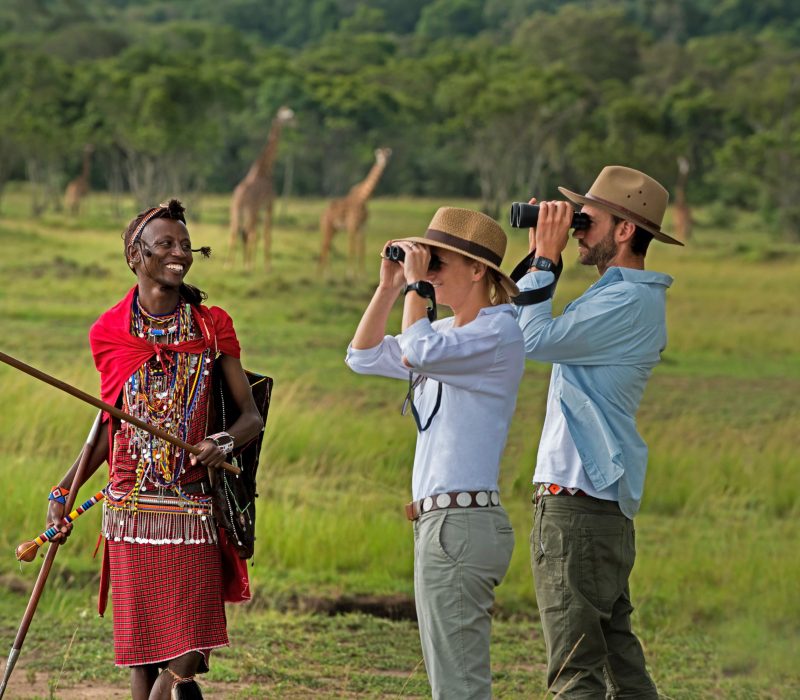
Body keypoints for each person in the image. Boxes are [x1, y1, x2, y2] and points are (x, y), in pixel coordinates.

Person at [45, 199, 263, 700]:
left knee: (196, 630)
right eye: (165, 244)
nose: (179, 254)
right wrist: (64, 488)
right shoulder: (111, 332)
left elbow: (250, 417)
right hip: (131, 506)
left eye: (185, 245)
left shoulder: (211, 327)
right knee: (141, 653)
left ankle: (177, 682)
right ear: (135, 255)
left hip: (191, 503)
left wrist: (221, 441)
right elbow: (107, 425)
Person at [513, 166, 683, 698]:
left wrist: (546, 258)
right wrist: (539, 256)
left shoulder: (625, 301)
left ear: (626, 230)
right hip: (595, 506)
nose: (579, 227)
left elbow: (532, 340)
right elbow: (522, 319)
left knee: (575, 671)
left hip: (578, 504)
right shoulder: (618, 295)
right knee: (619, 664)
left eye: (589, 219)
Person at [346, 207, 525, 699]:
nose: (428, 276)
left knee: (460, 687)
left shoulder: (497, 333)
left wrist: (415, 290)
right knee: (451, 682)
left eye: (438, 265)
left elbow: (417, 354)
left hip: (462, 525)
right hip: (441, 525)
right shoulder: (444, 334)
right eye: (427, 265)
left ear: (477, 271)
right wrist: (389, 286)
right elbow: (361, 358)